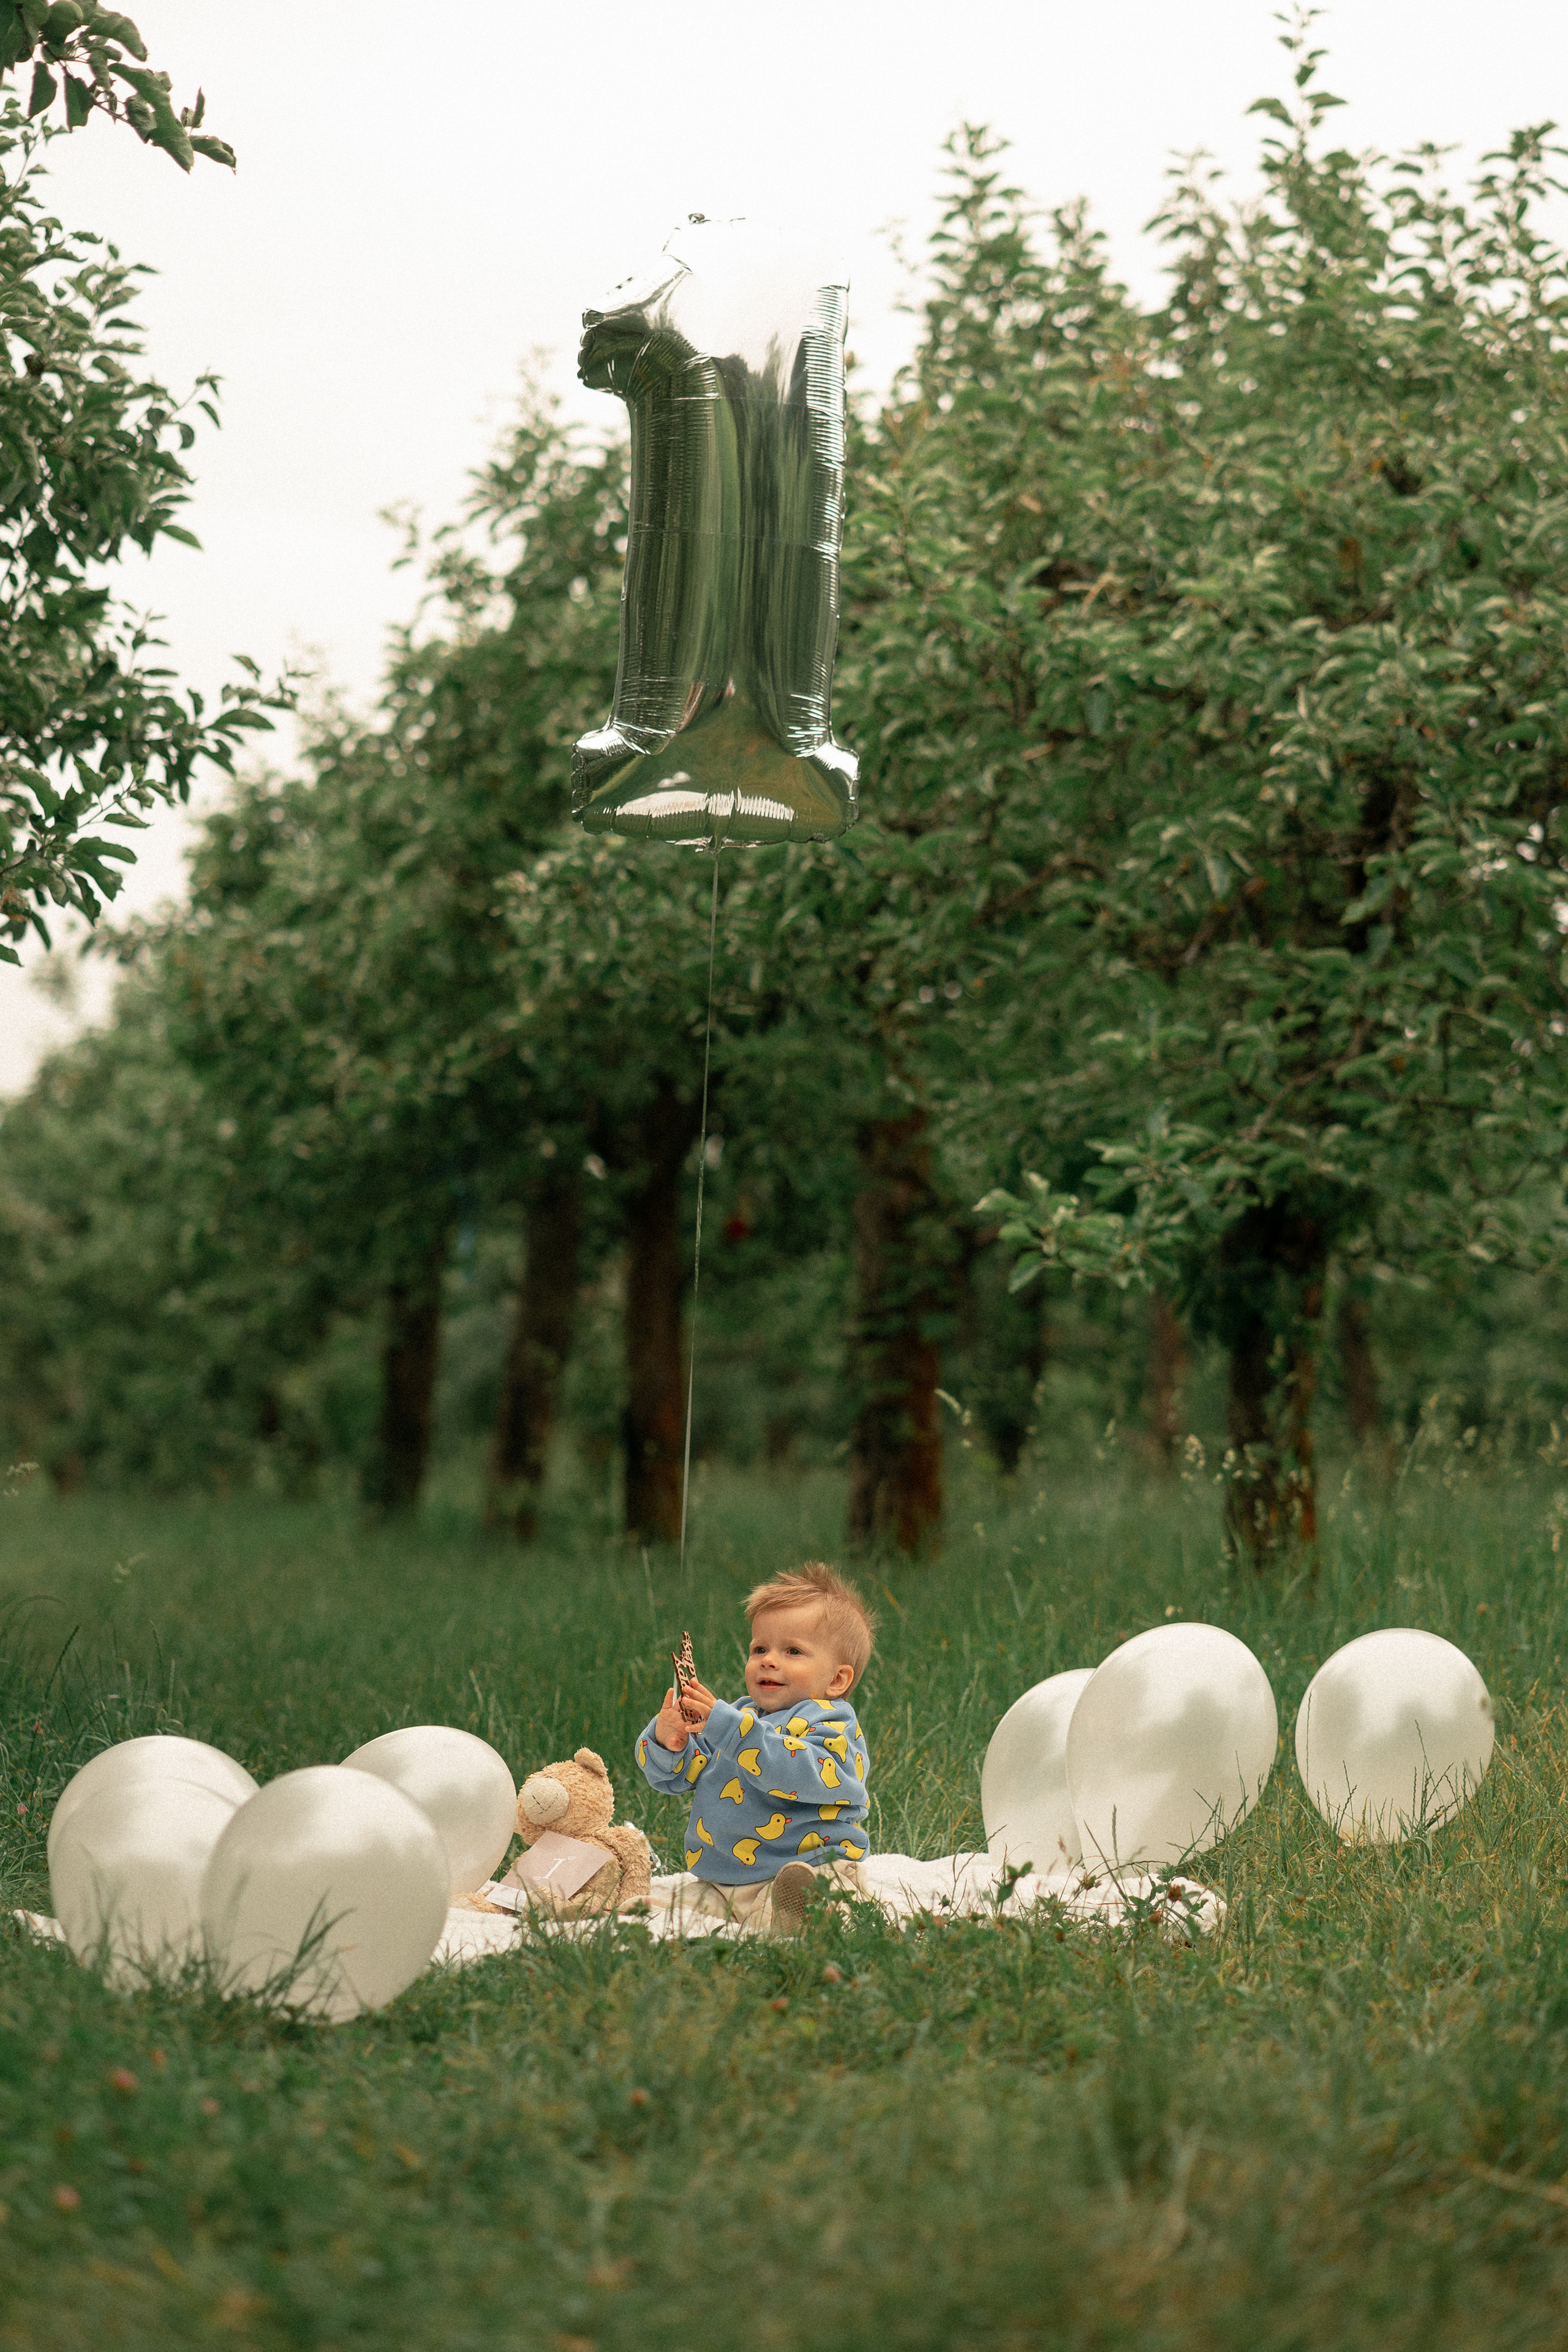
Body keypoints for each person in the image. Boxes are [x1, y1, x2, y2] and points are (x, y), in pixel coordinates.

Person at [635, 1562, 876, 1935]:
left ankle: (801, 1917)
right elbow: (677, 1778)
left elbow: (794, 1771)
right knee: (669, 1912)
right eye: (759, 1647)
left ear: (836, 1679)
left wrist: (728, 1729)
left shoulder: (832, 1724)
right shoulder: (736, 1715)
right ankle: (644, 1914)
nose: (769, 1659)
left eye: (793, 1651)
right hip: (725, 1877)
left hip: (810, 1866)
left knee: (826, 1896)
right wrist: (670, 1742)